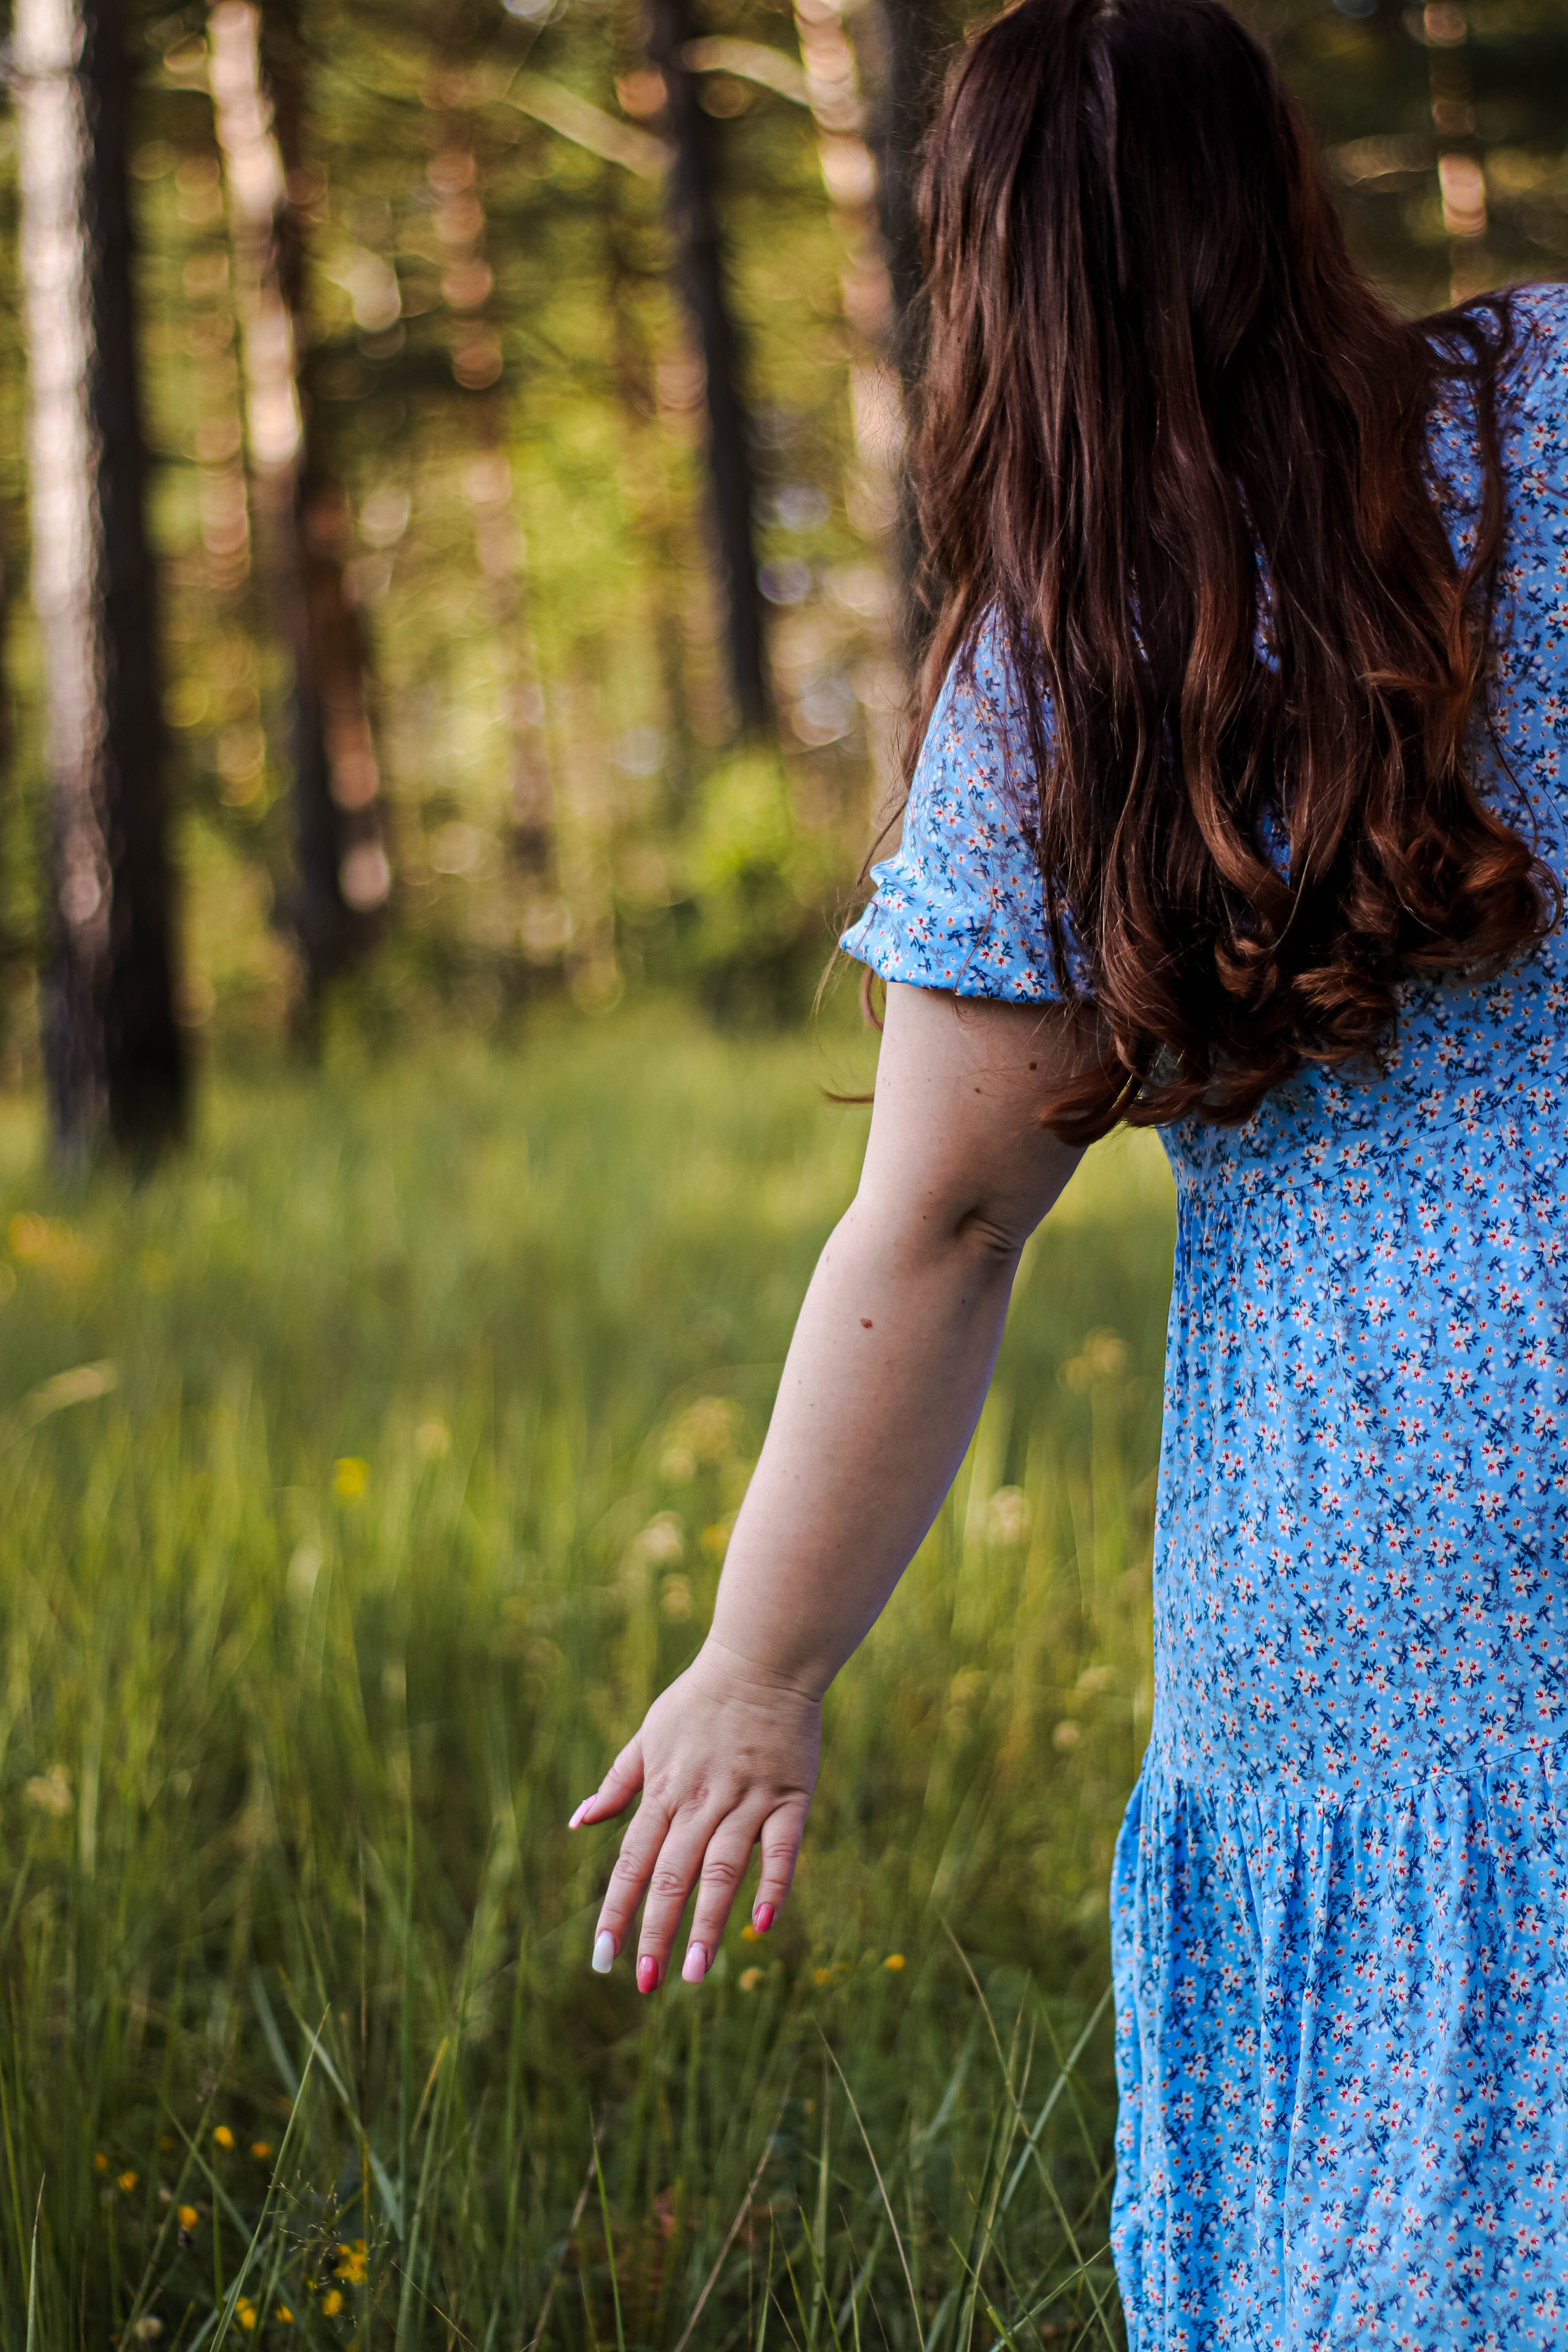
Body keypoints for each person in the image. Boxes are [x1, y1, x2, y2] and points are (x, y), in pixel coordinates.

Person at [569, 0, 1568, 2339]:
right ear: (1291, 192)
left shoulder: (1071, 669)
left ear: (988, 292)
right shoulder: (1555, 402)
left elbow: (941, 1219)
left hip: (1365, 1565)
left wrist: (760, 1669)